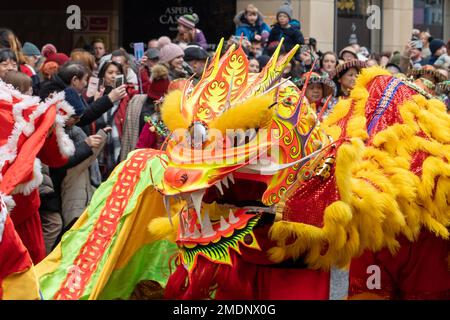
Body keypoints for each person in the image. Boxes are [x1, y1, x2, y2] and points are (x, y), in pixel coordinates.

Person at [95, 61, 134, 178]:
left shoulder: (128, 94)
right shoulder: (97, 95)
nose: (114, 76)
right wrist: (95, 101)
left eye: (118, 73)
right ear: (103, 76)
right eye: (110, 72)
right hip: (100, 146)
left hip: (120, 144)